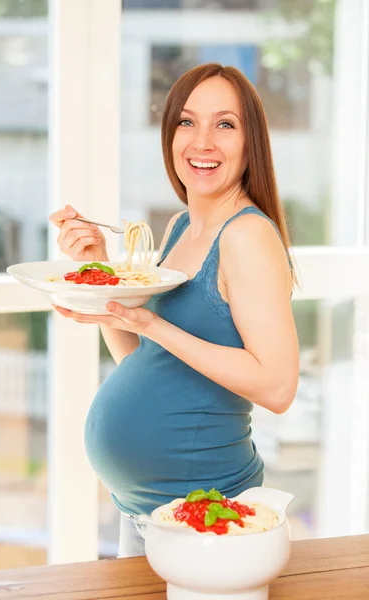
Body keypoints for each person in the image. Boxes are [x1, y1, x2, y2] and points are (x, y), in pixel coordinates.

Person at [49, 63, 299, 558]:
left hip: (204, 512)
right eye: (187, 122)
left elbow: (278, 387)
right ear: (169, 135)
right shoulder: (181, 226)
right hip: (146, 510)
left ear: (252, 142)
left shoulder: (246, 237)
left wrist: (152, 323)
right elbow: (148, 360)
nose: (202, 141)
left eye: (224, 124)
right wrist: (101, 276)